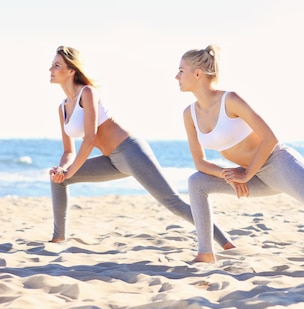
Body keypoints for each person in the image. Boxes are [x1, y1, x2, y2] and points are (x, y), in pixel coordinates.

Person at [175, 44, 304, 264]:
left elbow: (270, 138)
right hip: (254, 177)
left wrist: (247, 173)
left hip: (279, 164)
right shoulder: (189, 114)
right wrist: (228, 174)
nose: (176, 76)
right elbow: (200, 162)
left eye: (181, 70)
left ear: (198, 73)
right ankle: (205, 253)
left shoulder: (230, 100)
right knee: (197, 182)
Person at [48, 45, 234, 250]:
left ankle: (225, 242)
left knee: (173, 203)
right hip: (112, 161)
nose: (51, 69)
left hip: (130, 151)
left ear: (71, 70)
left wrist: (69, 171)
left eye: (57, 65)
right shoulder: (62, 107)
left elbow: (90, 139)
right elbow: (68, 151)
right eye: (52, 65)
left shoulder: (88, 93)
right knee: (58, 180)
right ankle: (58, 239)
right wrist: (61, 170)